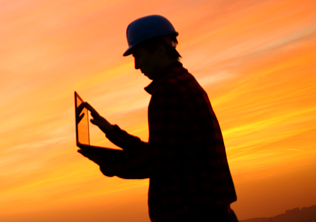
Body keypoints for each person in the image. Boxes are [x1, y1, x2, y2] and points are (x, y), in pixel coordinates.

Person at [78, 15, 238, 222]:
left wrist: (110, 165)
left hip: (192, 213)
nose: (136, 66)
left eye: (139, 56)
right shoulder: (183, 84)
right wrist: (111, 132)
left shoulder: (169, 91)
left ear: (160, 50)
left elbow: (158, 161)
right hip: (209, 212)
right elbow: (163, 152)